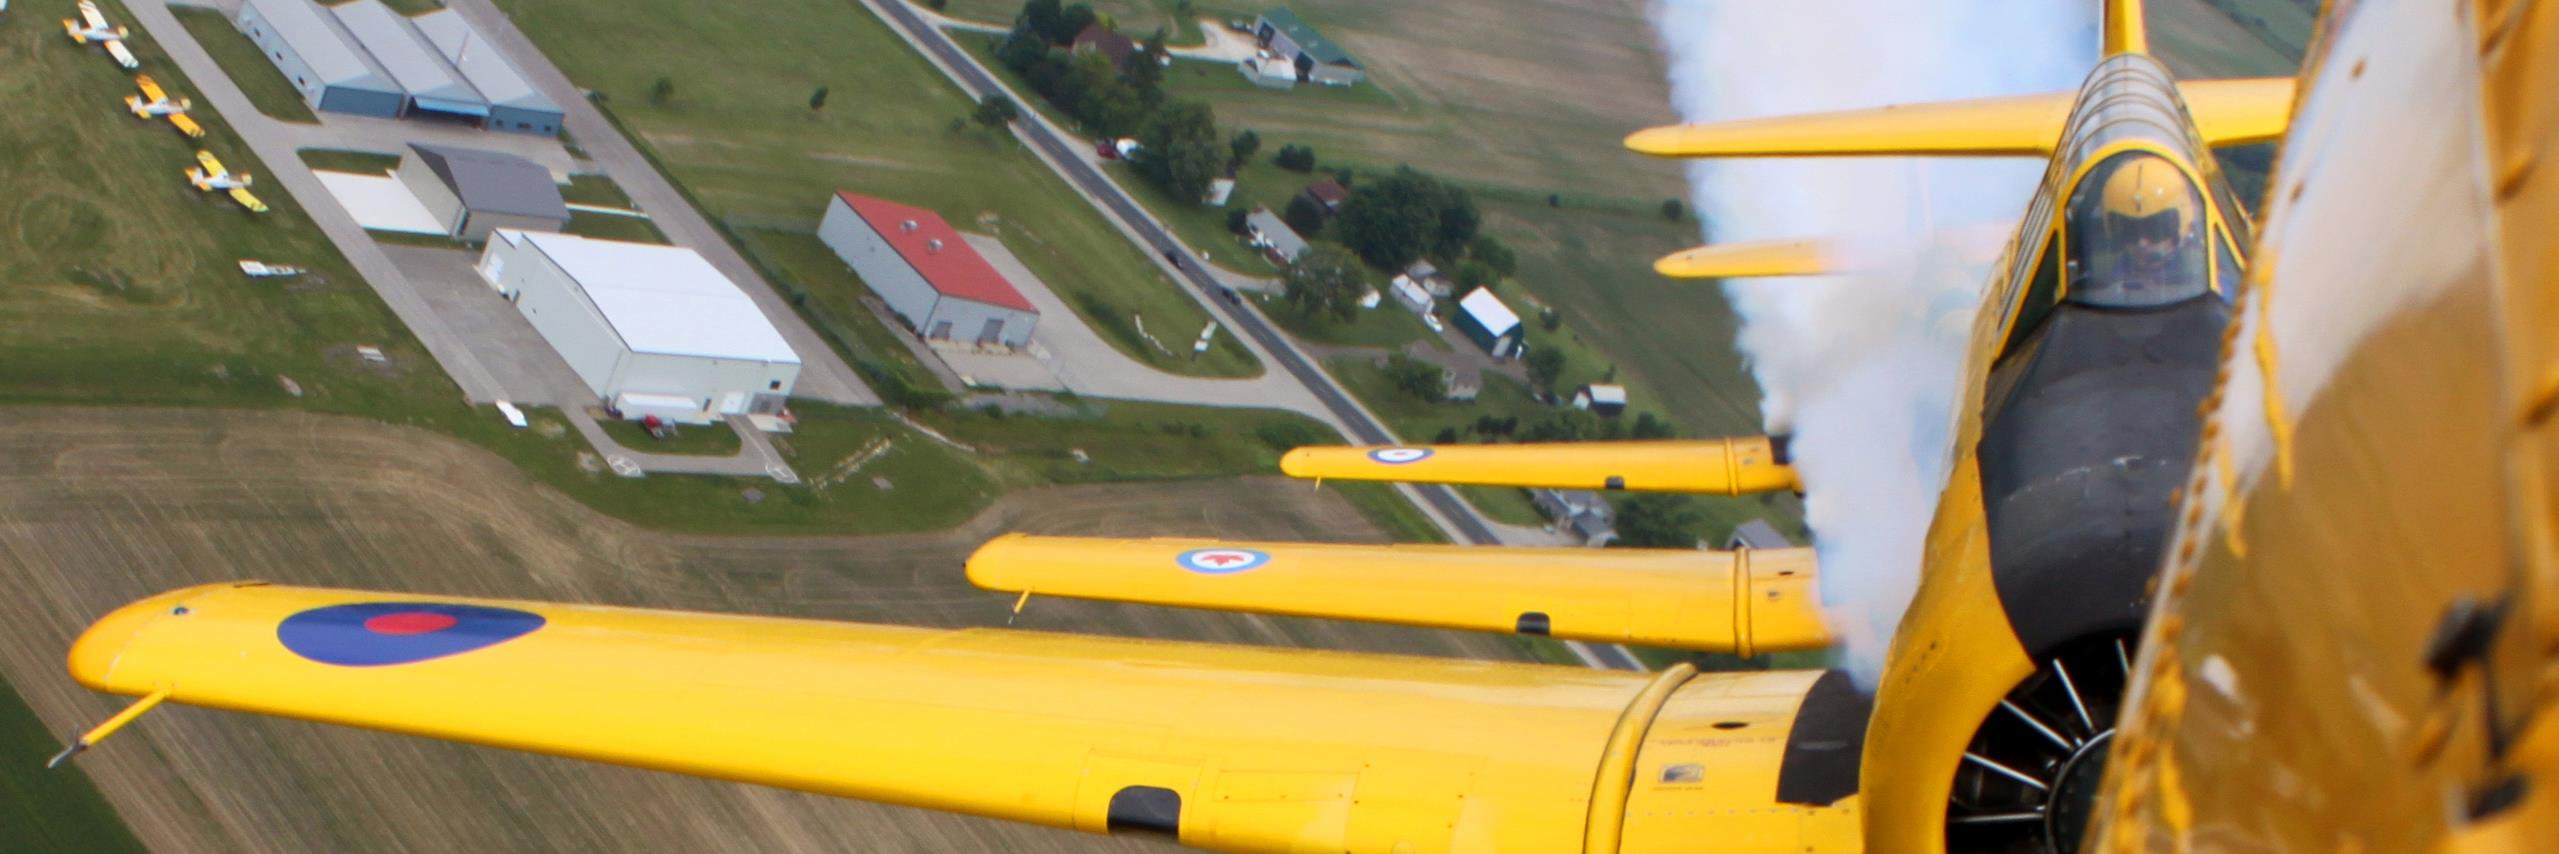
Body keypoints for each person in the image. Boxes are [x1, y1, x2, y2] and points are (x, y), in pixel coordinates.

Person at [2094, 154, 2205, 302]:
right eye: (2129, 230)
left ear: (2181, 225)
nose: (2142, 243)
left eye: (2155, 229)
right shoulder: (2100, 283)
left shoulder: (2206, 277)